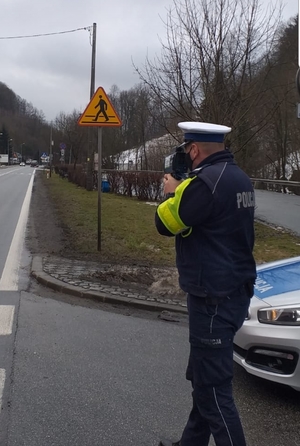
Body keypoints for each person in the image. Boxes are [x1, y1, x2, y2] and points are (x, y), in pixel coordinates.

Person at [155, 122, 256, 446]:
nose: (185, 157)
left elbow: (164, 223)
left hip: (212, 297)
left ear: (194, 149)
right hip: (235, 291)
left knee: (213, 393)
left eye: (186, 151)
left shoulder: (203, 184)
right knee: (204, 380)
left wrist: (172, 190)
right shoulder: (239, 178)